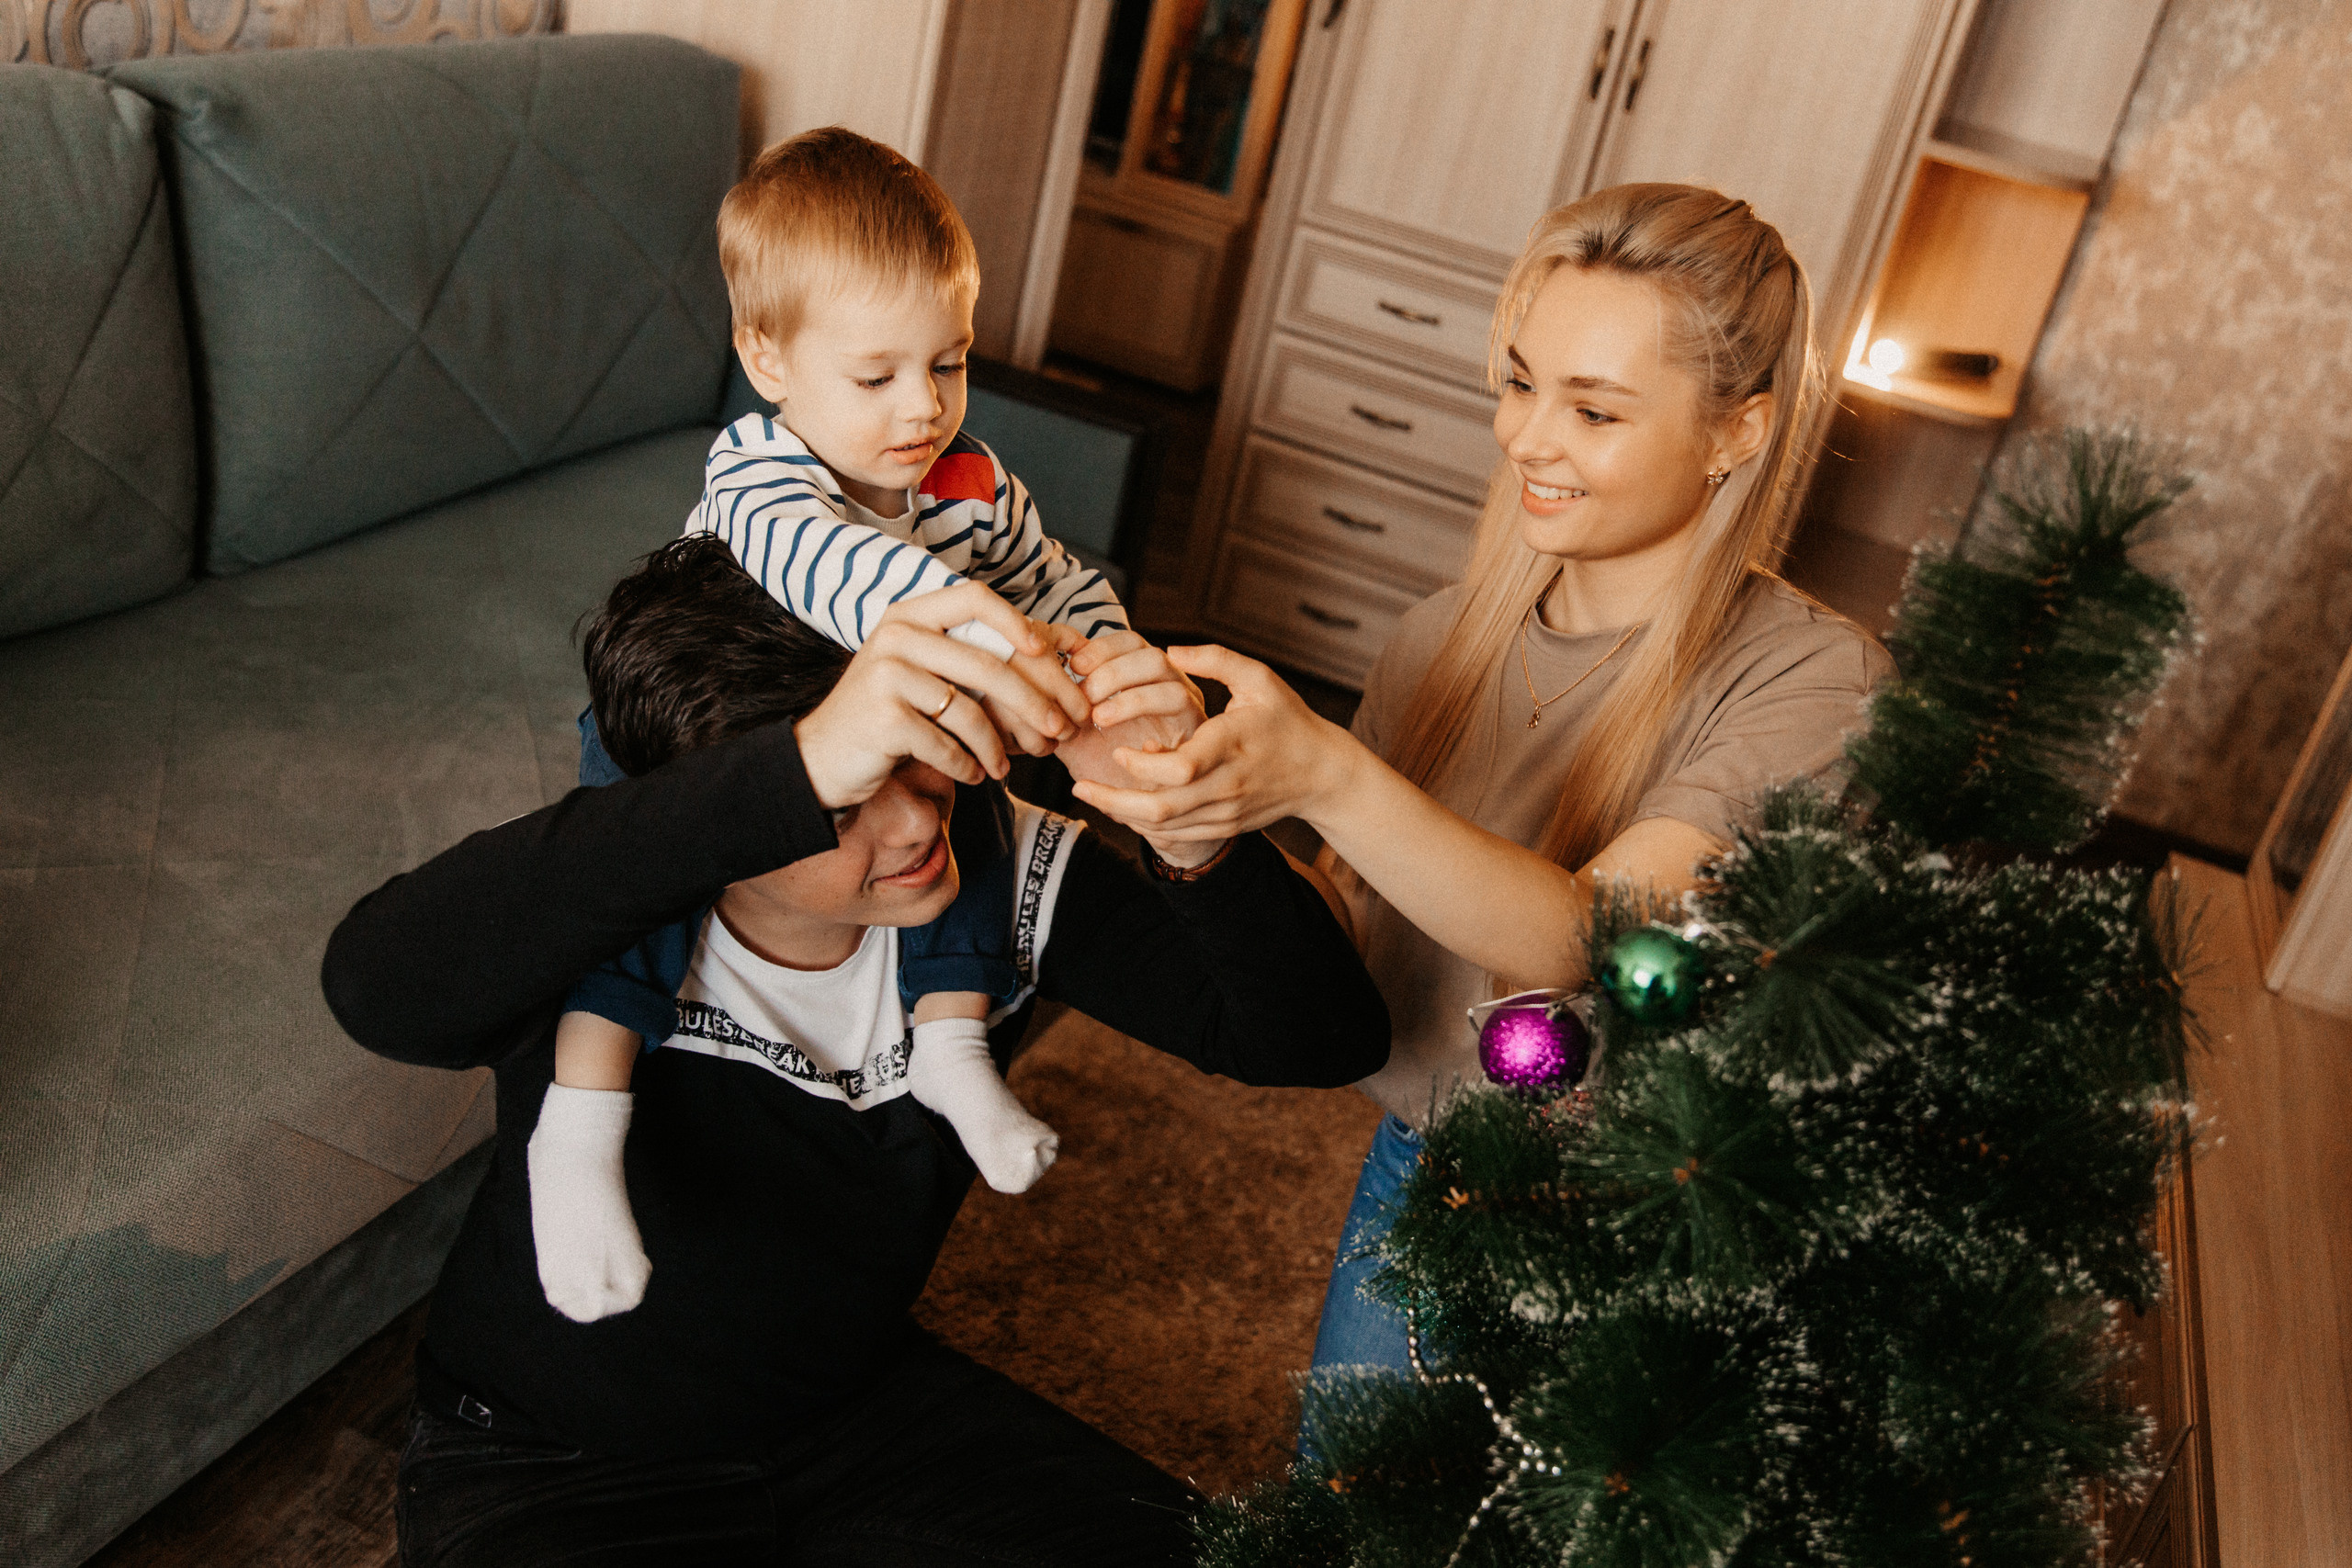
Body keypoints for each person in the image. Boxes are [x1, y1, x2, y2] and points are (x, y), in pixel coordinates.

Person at [321, 544, 1386, 1565]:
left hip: (854, 1414)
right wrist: (794, 770)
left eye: (918, 758)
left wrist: (1183, 824)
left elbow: (1317, 1040)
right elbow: (375, 989)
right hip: (551, 1454)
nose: (917, 818)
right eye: (845, 800)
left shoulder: (991, 856)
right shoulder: (609, 891)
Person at [1071, 185, 1896, 1375]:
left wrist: (1323, 768)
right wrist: (1195, 808)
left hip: (1641, 1218)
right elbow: (1357, 947)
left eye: (1595, 408)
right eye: (1519, 382)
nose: (1526, 438)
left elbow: (1584, 933)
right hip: (1430, 1166)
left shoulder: (1818, 682)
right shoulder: (1440, 638)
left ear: (1738, 433)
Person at [532, 126, 1200, 1324]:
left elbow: (1057, 580)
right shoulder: (761, 470)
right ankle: (578, 1126)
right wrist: (990, 641)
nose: (923, 408)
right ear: (767, 355)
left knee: (982, 827)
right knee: (629, 898)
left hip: (899, 745)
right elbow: (841, 573)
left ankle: (949, 1045)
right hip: (705, 738)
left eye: (948, 364)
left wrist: (1117, 662)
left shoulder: (968, 481)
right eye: (879, 375)